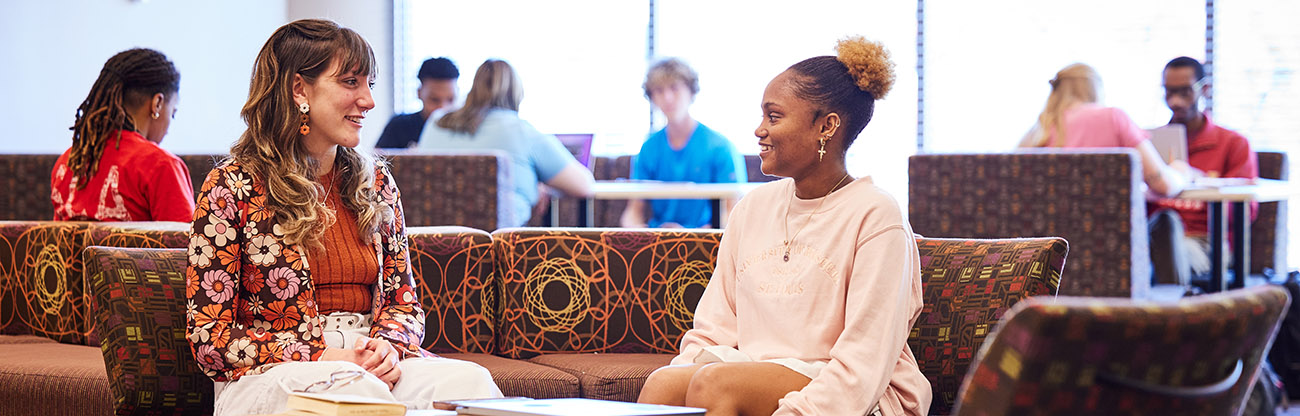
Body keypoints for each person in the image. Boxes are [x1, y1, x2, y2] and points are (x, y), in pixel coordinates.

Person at [185, 19, 502, 416]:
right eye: (351, 82)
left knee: (471, 384)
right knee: (355, 390)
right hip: (271, 372)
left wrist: (389, 346)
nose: (368, 101)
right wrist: (322, 354)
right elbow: (209, 338)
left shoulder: (376, 182)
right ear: (299, 89)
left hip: (369, 359)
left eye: (369, 84)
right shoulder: (231, 185)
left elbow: (404, 304)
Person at [637, 37, 931, 415]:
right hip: (756, 372)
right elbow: (712, 329)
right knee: (664, 382)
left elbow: (864, 363)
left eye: (773, 117)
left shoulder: (876, 214)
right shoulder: (753, 208)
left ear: (826, 126)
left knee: (716, 384)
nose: (759, 130)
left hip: (852, 389)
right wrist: (683, 382)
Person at [418, 59, 593, 227]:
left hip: (430, 240)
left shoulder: (436, 122)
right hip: (498, 243)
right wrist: (535, 182)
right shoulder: (521, 131)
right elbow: (584, 185)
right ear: (518, 94)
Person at [1147, 57, 1258, 286]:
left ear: (1204, 89)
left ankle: (1173, 306)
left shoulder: (1233, 143)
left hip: (1207, 242)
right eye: (1169, 92)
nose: (1175, 101)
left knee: (1168, 230)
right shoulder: (1149, 143)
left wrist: (1201, 181)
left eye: (1184, 92)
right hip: (1151, 237)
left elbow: (1246, 211)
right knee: (1158, 228)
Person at [51, 48, 194, 222]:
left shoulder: (68, 162)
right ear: (157, 103)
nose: (169, 127)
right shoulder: (161, 166)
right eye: (173, 113)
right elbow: (187, 238)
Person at [1018, 63, 1188, 198]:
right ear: (1095, 88)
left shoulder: (1039, 130)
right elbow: (1162, 184)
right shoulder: (1113, 118)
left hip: (1052, 231)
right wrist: (1181, 174)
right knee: (1167, 219)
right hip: (1109, 229)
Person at [620, 58, 747, 228]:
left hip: (705, 239)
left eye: (674, 88)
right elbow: (633, 212)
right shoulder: (648, 148)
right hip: (658, 238)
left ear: (691, 92)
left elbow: (732, 212)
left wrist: (692, 236)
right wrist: (641, 235)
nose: (667, 98)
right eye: (659, 90)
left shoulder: (720, 147)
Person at [375, 57, 459, 149]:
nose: (443, 108)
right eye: (434, 100)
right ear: (419, 93)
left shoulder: (464, 129)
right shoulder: (398, 126)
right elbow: (377, 157)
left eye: (451, 99)